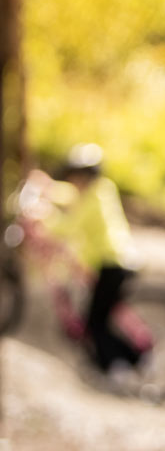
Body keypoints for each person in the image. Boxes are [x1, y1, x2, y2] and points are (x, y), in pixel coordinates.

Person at [21, 143, 144, 373]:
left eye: (77, 177)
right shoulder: (98, 190)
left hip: (112, 264)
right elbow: (69, 195)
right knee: (101, 317)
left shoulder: (94, 199)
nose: (74, 182)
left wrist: (43, 218)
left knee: (96, 322)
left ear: (87, 176)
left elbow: (68, 227)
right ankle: (122, 363)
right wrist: (47, 187)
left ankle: (127, 363)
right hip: (110, 263)